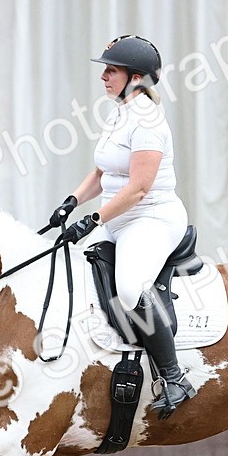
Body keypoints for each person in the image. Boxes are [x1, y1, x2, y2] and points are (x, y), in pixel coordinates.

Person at [48, 35, 195, 419]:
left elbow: (139, 188)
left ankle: (174, 376)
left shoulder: (147, 120)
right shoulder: (119, 112)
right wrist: (71, 203)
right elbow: (102, 171)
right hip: (120, 217)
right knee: (71, 265)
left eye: (111, 70)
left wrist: (93, 219)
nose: (104, 77)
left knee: (130, 289)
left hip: (151, 218)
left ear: (135, 77)